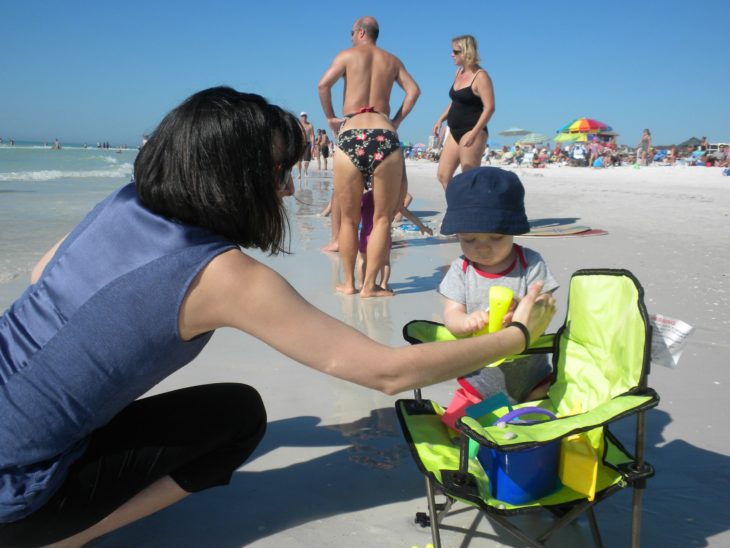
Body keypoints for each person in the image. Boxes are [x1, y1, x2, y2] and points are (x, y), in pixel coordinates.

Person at [0, 87, 556, 546]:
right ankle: (57, 538)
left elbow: (41, 275)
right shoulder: (221, 275)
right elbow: (389, 373)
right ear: (230, 175)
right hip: (15, 494)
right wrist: (515, 336)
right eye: (279, 171)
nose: (289, 187)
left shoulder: (122, 203)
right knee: (239, 416)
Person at [318, 16, 420, 298]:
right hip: (385, 133)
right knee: (382, 219)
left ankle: (349, 284)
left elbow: (323, 85)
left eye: (351, 32)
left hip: (351, 133)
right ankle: (370, 286)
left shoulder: (347, 56)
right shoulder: (392, 60)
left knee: (349, 220)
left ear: (360, 32)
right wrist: (396, 120)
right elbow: (414, 91)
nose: (350, 37)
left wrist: (329, 117)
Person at [438, 167, 559, 404]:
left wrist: (524, 309)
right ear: (458, 236)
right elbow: (451, 314)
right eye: (470, 239)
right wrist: (465, 322)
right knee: (462, 421)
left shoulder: (530, 263)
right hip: (477, 375)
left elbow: (546, 304)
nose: (483, 247)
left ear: (513, 231)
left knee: (543, 408)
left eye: (496, 237)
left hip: (533, 374)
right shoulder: (461, 269)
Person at [432, 35, 495, 190]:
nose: (452, 55)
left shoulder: (481, 76)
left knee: (469, 177)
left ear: (467, 52)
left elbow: (490, 108)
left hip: (473, 130)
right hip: (454, 131)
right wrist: (440, 119)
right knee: (443, 175)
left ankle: (474, 212)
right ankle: (457, 208)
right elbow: (456, 101)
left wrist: (474, 133)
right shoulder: (458, 72)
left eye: (455, 51)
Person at [357, 190, 432, 292]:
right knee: (385, 262)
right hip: (383, 235)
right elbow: (408, 214)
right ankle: (383, 285)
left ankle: (362, 284)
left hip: (365, 234)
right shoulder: (390, 198)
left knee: (363, 260)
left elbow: (354, 214)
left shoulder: (364, 197)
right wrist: (422, 227)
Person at [297, 112, 315, 179]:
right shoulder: (298, 125)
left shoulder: (310, 125)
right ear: (300, 117)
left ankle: (305, 170)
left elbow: (312, 135)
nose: (303, 117)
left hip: (307, 143)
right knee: (299, 160)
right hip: (300, 143)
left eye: (305, 116)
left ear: (306, 117)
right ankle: (299, 173)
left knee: (307, 160)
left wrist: (313, 144)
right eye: (302, 116)